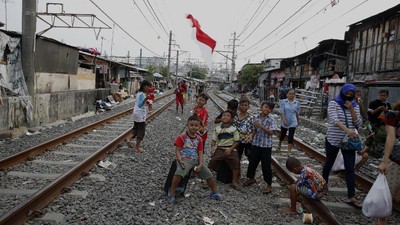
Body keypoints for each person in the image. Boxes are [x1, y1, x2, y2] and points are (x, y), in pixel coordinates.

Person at [322, 83, 363, 208]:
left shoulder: (354, 105)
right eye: (347, 94)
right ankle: (323, 186)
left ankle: (351, 196)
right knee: (329, 163)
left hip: (349, 141)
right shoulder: (334, 103)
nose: (349, 96)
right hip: (334, 139)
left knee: (350, 167)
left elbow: (359, 123)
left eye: (351, 95)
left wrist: (351, 108)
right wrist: (347, 130)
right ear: (342, 92)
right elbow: (334, 120)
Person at [168, 115, 221, 204]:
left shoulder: (199, 139)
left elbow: (200, 152)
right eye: (191, 125)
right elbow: (177, 150)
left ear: (199, 127)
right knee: (179, 173)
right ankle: (172, 193)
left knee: (209, 175)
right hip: (185, 159)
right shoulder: (182, 137)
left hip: (195, 160)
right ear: (187, 125)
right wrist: (180, 159)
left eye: (196, 126)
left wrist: (200, 164)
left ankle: (214, 192)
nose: (194, 127)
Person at [244, 101, 279, 194]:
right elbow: (255, 129)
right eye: (266, 107)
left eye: (269, 108)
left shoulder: (271, 119)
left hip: (266, 146)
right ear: (261, 107)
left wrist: (261, 126)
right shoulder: (256, 117)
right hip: (256, 144)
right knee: (252, 162)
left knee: (266, 165)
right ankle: (251, 178)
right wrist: (251, 137)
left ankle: (269, 184)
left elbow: (271, 132)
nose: (267, 109)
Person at [376, 101, 400, 225]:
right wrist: (385, 162)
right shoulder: (393, 115)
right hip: (396, 162)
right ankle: (381, 221)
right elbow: (391, 138)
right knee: (387, 196)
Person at [208, 111, 241, 189]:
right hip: (220, 148)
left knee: (236, 161)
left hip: (230, 148)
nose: (225, 117)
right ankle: (207, 180)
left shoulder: (234, 129)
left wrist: (230, 149)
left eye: (228, 116)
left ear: (231, 119)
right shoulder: (218, 129)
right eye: (224, 115)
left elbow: (237, 141)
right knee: (213, 161)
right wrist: (212, 148)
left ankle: (234, 181)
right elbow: (214, 140)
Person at [126, 80, 152, 153]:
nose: (149, 88)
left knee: (135, 128)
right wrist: (146, 99)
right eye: (148, 86)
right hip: (140, 114)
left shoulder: (138, 93)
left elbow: (139, 103)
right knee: (141, 131)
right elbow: (140, 105)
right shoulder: (142, 94)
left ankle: (129, 138)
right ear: (144, 86)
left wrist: (146, 101)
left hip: (136, 113)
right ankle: (137, 147)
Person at [278, 89, 300, 156]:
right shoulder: (283, 102)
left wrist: (298, 121)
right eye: (290, 93)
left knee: (291, 136)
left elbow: (297, 113)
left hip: (293, 121)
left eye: (292, 94)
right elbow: (282, 112)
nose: (291, 95)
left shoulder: (297, 103)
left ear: (294, 95)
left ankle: (289, 151)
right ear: (287, 94)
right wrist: (284, 120)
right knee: (283, 134)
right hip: (285, 120)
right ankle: (279, 144)